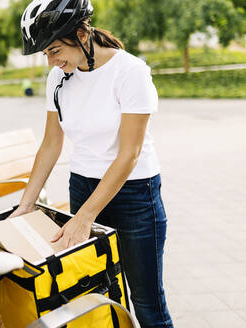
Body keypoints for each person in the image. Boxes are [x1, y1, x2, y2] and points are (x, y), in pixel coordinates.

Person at [9, 0, 174, 327]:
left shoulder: (130, 72)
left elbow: (129, 153)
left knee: (146, 302)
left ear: (83, 34)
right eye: (46, 54)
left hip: (134, 194)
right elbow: (50, 144)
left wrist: (85, 216)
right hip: (82, 185)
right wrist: (25, 207)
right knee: (96, 297)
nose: (52, 62)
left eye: (55, 50)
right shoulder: (57, 78)